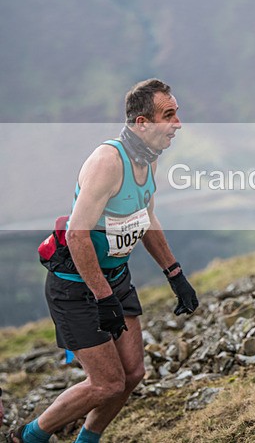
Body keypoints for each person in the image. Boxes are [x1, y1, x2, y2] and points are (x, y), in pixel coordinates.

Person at [10, 79, 198, 443]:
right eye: (169, 115)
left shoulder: (149, 159)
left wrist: (175, 275)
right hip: (77, 287)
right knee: (107, 383)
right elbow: (78, 234)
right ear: (142, 123)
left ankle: (87, 441)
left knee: (132, 375)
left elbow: (146, 219)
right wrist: (103, 298)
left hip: (114, 278)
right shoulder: (108, 161)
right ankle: (28, 437)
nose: (178, 124)